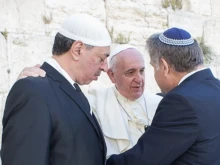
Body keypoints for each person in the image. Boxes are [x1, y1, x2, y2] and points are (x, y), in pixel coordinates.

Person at [1, 14, 111, 165]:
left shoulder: (71, 90)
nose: (105, 67)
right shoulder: (32, 91)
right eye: (102, 58)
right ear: (78, 50)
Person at [16, 44, 163, 157]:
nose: (139, 79)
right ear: (112, 75)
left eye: (142, 71)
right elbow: (59, 100)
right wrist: (31, 82)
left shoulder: (161, 104)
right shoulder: (93, 101)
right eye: (130, 72)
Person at [106, 27, 220, 165]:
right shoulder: (216, 87)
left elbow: (144, 160)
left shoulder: (180, 102)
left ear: (164, 67)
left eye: (153, 67)